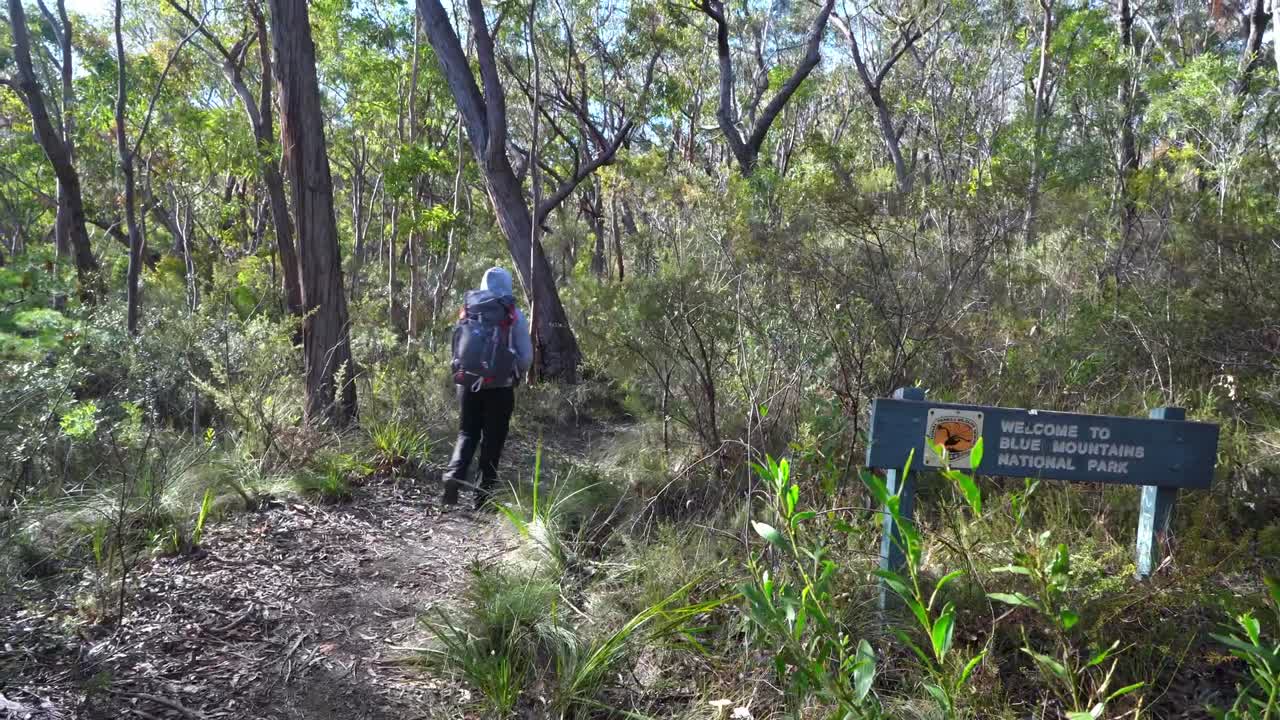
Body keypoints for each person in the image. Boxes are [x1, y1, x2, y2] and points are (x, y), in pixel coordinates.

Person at [442, 267, 533, 510]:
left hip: (468, 382)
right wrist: (514, 371)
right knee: (493, 440)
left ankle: (454, 476)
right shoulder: (514, 315)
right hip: (500, 388)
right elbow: (525, 358)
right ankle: (482, 497)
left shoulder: (469, 311)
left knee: (467, 432)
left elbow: (458, 346)